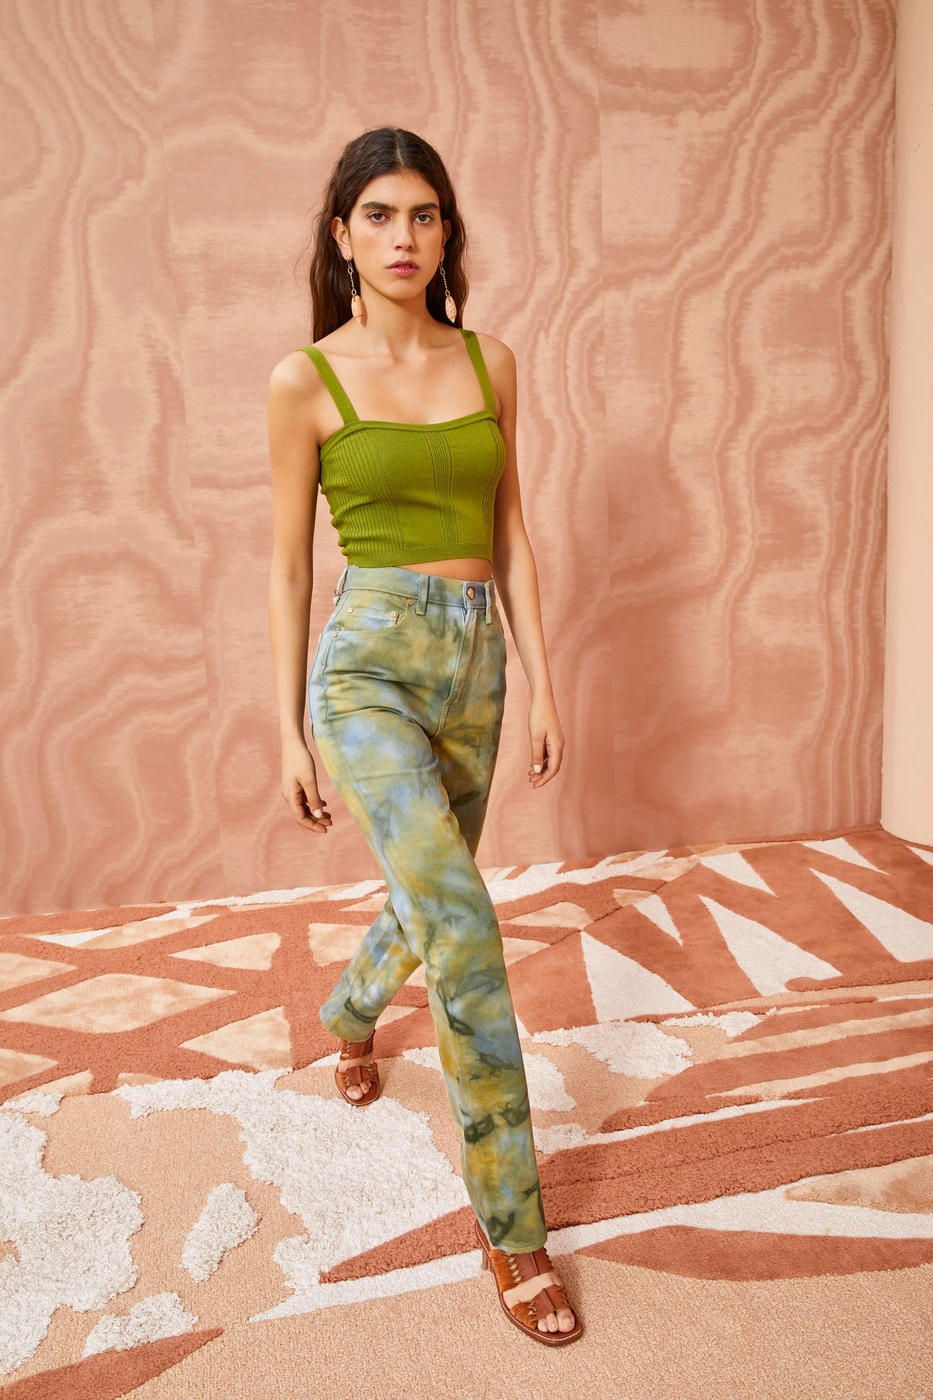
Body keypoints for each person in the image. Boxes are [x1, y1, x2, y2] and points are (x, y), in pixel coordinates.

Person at [266, 127, 582, 1346]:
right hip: (366, 670)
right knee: (464, 925)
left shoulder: (492, 360)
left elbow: (513, 532)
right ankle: (514, 1226)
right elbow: (287, 565)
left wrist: (542, 680)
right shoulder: (306, 380)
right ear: (342, 234)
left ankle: (350, 1014)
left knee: (428, 892)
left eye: (426, 214)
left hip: (476, 665)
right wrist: (288, 725)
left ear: (448, 233)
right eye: (380, 214)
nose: (405, 236)